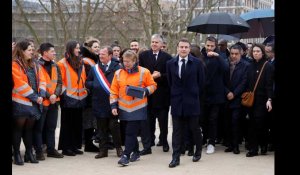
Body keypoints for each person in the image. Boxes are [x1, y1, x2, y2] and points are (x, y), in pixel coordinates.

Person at [110, 50, 157, 166]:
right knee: (128, 132)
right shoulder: (118, 73)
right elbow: (113, 91)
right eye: (124, 61)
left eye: (129, 61)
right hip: (123, 108)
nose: (126, 63)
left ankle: (125, 155)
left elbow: (153, 85)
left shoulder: (144, 72)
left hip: (138, 108)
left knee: (130, 132)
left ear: (135, 61)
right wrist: (113, 105)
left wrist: (146, 91)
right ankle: (136, 152)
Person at [166, 38, 205, 168]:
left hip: (192, 101)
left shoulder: (197, 63)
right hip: (177, 101)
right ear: (177, 48)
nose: (183, 49)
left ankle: (198, 150)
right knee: (176, 130)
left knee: (194, 128)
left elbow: (201, 83)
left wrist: (193, 93)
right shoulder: (170, 63)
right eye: (181, 47)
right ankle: (175, 157)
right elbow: (170, 82)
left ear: (189, 49)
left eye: (186, 47)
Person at [12, 39, 46, 165]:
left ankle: (28, 153)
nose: (32, 52)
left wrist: (42, 94)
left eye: (32, 50)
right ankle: (16, 154)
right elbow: (19, 84)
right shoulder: (15, 64)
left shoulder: (35, 64)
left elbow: (42, 80)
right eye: (29, 50)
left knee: (29, 129)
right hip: (20, 102)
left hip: (34, 101)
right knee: (18, 129)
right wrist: (34, 96)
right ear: (22, 51)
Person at [86, 46, 123, 159]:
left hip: (113, 103)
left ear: (110, 56)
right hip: (99, 102)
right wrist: (95, 85)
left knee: (114, 126)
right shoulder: (95, 68)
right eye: (100, 54)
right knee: (101, 128)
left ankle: (119, 149)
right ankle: (103, 150)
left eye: (103, 54)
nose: (100, 56)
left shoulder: (118, 67)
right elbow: (87, 82)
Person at [139, 34, 173, 154]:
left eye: (156, 42)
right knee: (149, 121)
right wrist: (149, 77)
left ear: (161, 44)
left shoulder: (168, 57)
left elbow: (170, 75)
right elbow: (140, 73)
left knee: (163, 121)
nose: (154, 44)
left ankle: (164, 141)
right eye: (152, 42)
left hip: (162, 94)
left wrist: (160, 75)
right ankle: (149, 142)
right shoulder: (143, 56)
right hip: (148, 95)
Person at [33, 43, 64, 160]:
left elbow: (60, 83)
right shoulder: (36, 65)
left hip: (53, 102)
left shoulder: (55, 66)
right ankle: (39, 151)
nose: (54, 53)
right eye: (52, 51)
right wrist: (48, 95)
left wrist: (55, 95)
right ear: (45, 53)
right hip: (42, 101)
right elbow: (36, 84)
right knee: (39, 128)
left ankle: (51, 149)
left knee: (51, 127)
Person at [57, 40, 88, 156]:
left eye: (79, 48)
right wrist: (65, 94)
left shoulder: (80, 61)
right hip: (68, 97)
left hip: (80, 97)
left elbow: (82, 78)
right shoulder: (62, 63)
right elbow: (60, 81)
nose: (79, 50)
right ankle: (66, 147)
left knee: (77, 123)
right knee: (67, 124)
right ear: (70, 49)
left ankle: (75, 146)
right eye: (76, 48)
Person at [244, 43, 274, 157]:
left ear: (262, 52)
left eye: (258, 51)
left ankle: (263, 145)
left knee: (261, 123)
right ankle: (253, 148)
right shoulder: (249, 65)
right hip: (251, 100)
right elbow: (246, 82)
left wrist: (269, 99)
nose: (255, 53)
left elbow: (269, 85)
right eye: (254, 51)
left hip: (263, 100)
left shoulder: (268, 66)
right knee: (251, 124)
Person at [201, 36, 228, 154]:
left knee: (213, 119)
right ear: (205, 45)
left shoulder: (220, 56)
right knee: (203, 119)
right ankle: (205, 139)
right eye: (208, 45)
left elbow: (226, 68)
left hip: (216, 94)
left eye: (212, 46)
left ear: (215, 46)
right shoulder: (201, 56)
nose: (209, 48)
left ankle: (211, 142)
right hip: (203, 94)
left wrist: (217, 56)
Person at [223, 44, 249, 154]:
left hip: (238, 99)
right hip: (225, 98)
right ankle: (229, 144)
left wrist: (234, 93)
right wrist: (227, 92)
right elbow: (221, 80)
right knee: (227, 122)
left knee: (235, 122)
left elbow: (244, 82)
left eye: (236, 54)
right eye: (232, 54)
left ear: (241, 53)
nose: (233, 56)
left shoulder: (246, 65)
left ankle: (235, 145)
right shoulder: (225, 64)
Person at [80, 37, 100, 152]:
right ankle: (87, 143)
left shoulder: (95, 59)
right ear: (90, 48)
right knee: (88, 120)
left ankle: (89, 142)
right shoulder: (87, 61)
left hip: (94, 94)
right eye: (95, 47)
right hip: (88, 94)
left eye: (98, 47)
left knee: (92, 120)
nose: (97, 49)